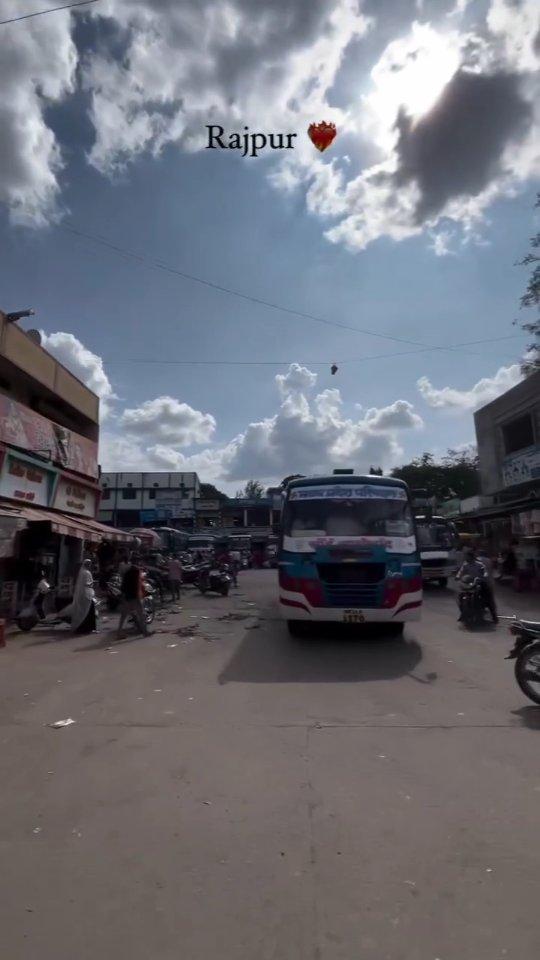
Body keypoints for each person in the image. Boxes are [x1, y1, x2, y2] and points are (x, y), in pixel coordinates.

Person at [456, 548, 498, 624]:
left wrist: (484, 577)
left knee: (488, 597)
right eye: (466, 557)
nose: (466, 558)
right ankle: (463, 613)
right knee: (459, 595)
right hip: (468, 584)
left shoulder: (479, 565)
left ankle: (494, 617)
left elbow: (485, 572)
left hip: (479, 583)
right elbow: (460, 572)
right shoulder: (465, 565)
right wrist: (458, 576)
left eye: (467, 556)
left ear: (471, 557)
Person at [117, 560, 152, 639]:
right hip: (135, 596)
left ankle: (119, 632)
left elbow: (123, 586)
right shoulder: (136, 572)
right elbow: (138, 585)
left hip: (127, 597)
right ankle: (145, 631)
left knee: (124, 615)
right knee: (141, 614)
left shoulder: (127, 573)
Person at [64, 559, 97, 634]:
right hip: (87, 594)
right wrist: (92, 583)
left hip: (82, 594)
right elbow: (87, 583)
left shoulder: (81, 572)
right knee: (88, 611)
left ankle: (81, 627)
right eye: (89, 564)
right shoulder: (87, 572)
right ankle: (88, 628)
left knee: (81, 610)